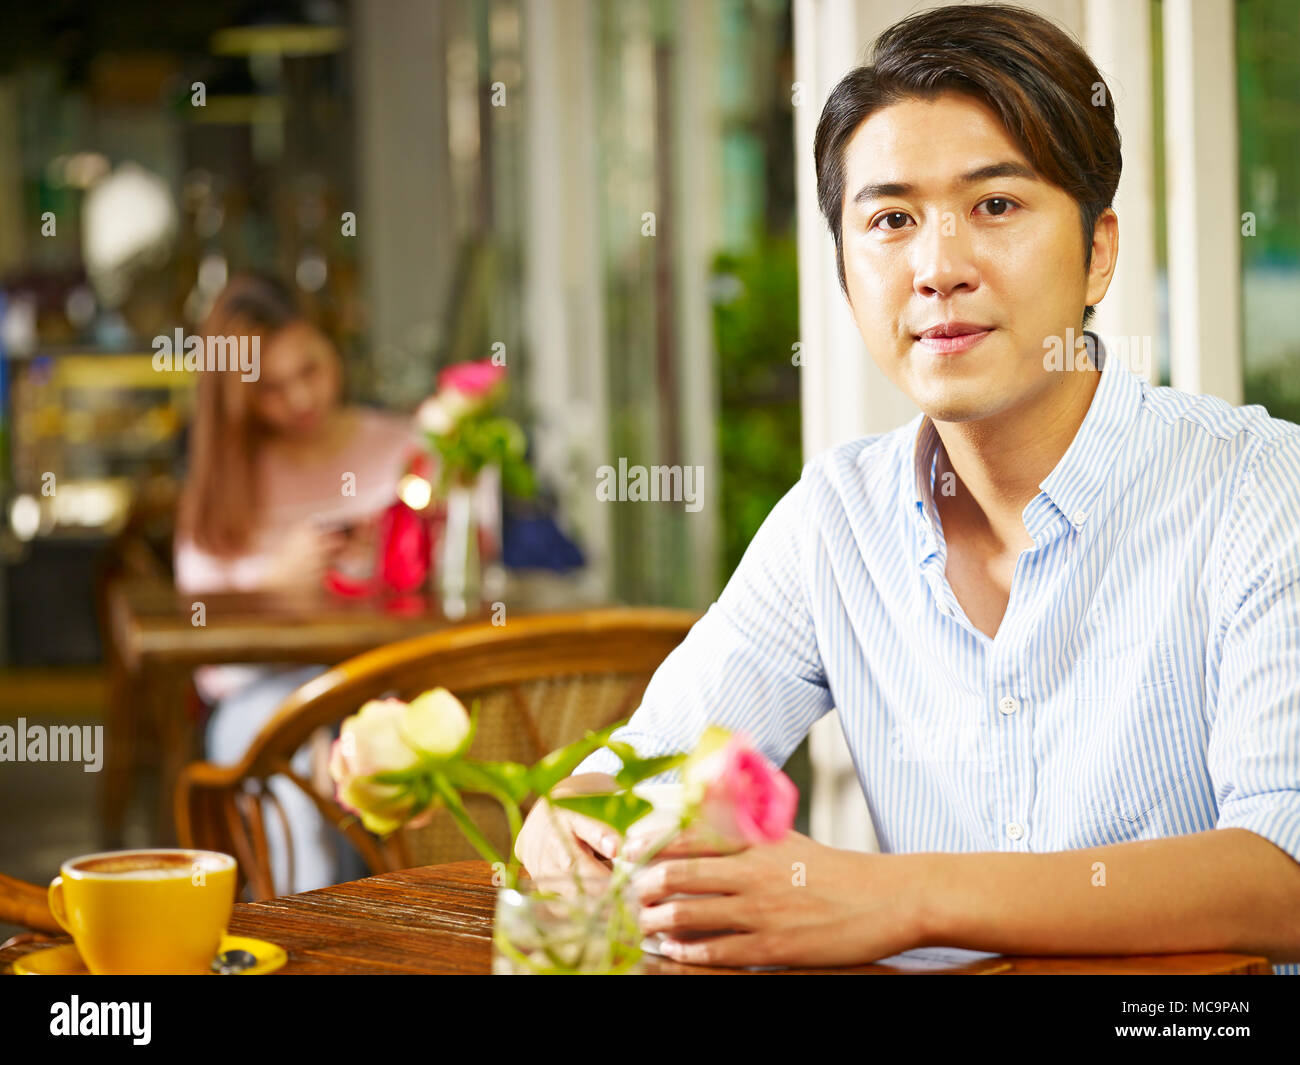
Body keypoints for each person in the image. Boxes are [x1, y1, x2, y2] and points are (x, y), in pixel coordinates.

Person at [516, 3, 1300, 974]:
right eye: (889, 220)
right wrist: (578, 816)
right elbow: (655, 759)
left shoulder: (1259, 489)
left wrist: (902, 900)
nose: (937, 269)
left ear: (1098, 251)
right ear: (845, 276)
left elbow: (1283, 876)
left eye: (995, 207)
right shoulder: (835, 519)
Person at [175, 273, 423, 894]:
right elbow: (214, 670)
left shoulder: (404, 448)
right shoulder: (227, 478)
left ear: (330, 345)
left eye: (309, 370)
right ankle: (304, 937)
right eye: (269, 390)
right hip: (268, 698)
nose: (300, 399)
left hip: (393, 681)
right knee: (289, 758)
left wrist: (393, 557)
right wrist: (273, 583)